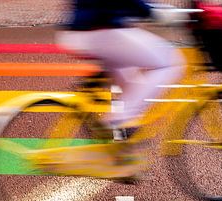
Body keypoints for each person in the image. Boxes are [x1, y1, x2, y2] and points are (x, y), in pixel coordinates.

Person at [56, 1, 187, 130]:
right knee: (170, 60)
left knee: (133, 85)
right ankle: (117, 120)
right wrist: (152, 11)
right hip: (97, 33)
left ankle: (118, 141)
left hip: (86, 31)